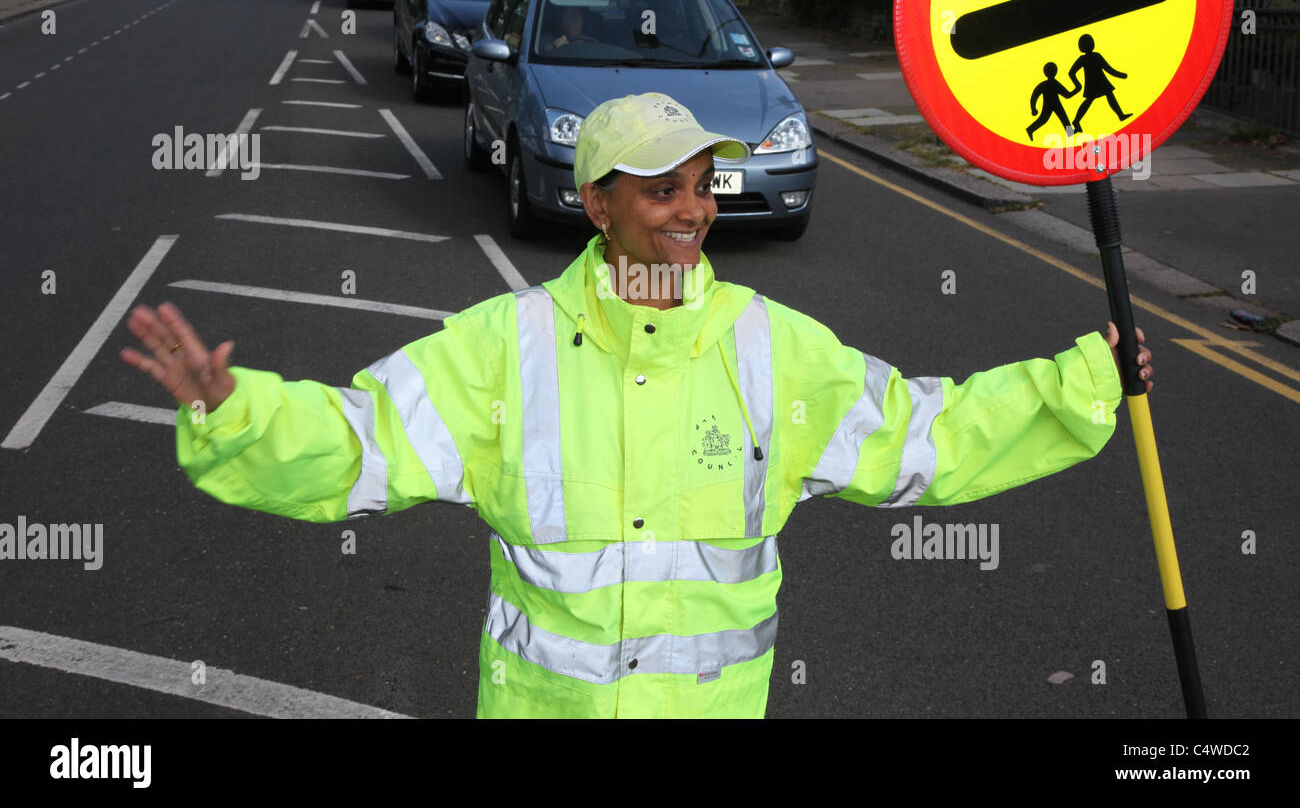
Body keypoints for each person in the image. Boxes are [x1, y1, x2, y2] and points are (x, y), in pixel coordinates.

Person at [119, 92, 1154, 719]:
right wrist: (236, 409)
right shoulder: (504, 346)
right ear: (595, 200)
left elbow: (927, 437)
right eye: (661, 189)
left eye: (702, 184)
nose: (693, 208)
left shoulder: (769, 344)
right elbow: (359, 443)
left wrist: (1082, 383)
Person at [1067, 33, 1132, 134]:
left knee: (1103, 96)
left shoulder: (1085, 58)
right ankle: (1075, 123)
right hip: (1096, 82)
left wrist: (1077, 85)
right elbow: (1108, 69)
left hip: (1098, 81)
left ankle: (1120, 115)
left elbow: (1071, 73)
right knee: (1096, 98)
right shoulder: (1092, 56)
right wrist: (1121, 75)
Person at [1026, 61, 1076, 142]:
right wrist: (1033, 108)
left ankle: (1030, 129)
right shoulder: (1052, 83)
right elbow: (1035, 95)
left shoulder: (1046, 84)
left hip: (1054, 104)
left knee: (1061, 118)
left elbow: (1034, 96)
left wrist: (1033, 108)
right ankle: (1030, 129)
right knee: (1047, 119)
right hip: (1052, 104)